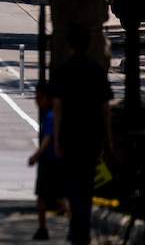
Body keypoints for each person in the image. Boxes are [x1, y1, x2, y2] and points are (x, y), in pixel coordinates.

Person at [52, 24, 114, 245]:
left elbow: (57, 108)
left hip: (70, 135)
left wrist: (56, 139)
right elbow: (105, 109)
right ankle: (83, 224)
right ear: (89, 46)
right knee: (87, 183)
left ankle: (76, 224)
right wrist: (108, 138)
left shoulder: (61, 72)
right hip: (91, 135)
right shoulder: (97, 72)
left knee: (72, 183)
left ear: (69, 46)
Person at [28, 83, 66, 240]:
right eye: (36, 97)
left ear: (50, 99)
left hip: (50, 160)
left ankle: (44, 227)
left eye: (41, 97)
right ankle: (42, 228)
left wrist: (35, 155)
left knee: (49, 196)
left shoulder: (51, 116)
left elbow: (47, 139)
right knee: (48, 196)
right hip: (50, 160)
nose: (37, 101)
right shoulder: (48, 114)